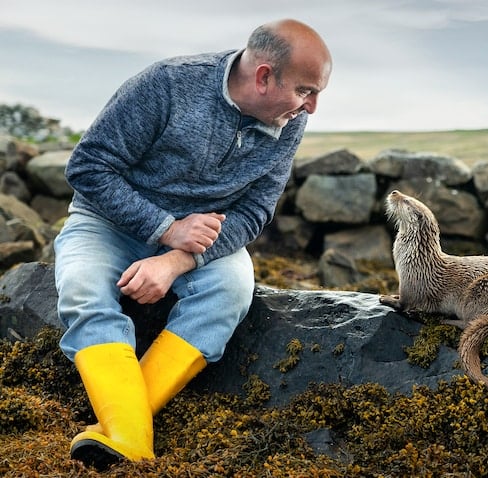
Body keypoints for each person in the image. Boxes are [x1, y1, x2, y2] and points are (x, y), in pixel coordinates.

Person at [53, 18, 332, 469]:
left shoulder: (289, 120)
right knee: (83, 289)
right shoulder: (166, 84)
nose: (312, 107)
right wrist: (166, 229)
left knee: (232, 289)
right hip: (106, 224)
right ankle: (134, 439)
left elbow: (255, 212)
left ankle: (124, 429)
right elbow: (88, 168)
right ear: (264, 77)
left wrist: (177, 259)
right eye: (305, 91)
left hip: (202, 241)